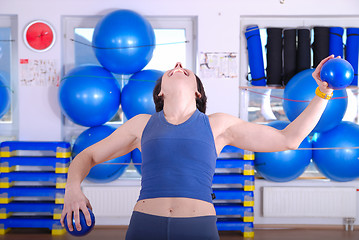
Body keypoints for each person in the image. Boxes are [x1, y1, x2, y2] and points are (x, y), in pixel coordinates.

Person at [61, 55, 336, 239]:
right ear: (160, 92)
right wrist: (73, 189)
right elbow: (87, 155)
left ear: (197, 91)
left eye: (185, 70)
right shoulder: (141, 124)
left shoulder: (218, 125)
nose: (179, 64)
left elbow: (289, 138)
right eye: (173, 69)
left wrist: (323, 93)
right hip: (145, 225)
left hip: (197, 228)